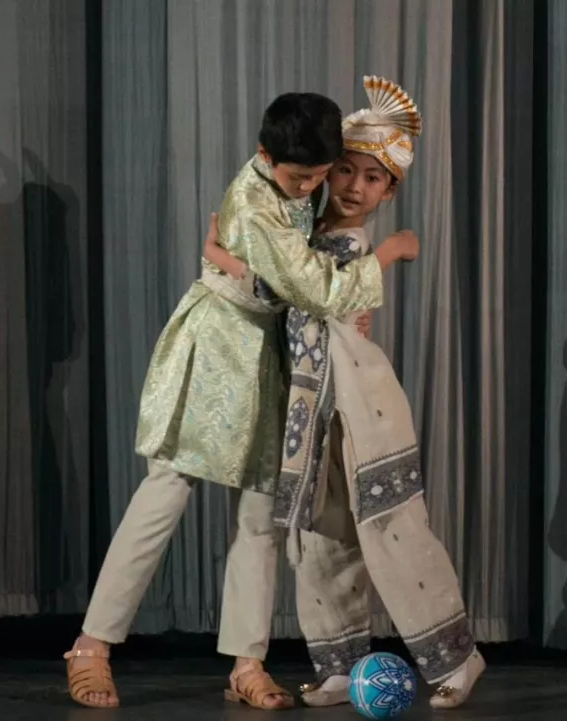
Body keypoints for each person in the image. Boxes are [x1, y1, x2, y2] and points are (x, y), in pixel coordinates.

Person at [64, 90, 420, 710]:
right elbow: (314, 289)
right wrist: (388, 255)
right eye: (300, 176)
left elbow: (308, 271)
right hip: (218, 354)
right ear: (265, 154)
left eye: (320, 175)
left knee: (259, 516)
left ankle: (247, 662)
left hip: (273, 361)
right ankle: (90, 647)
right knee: (164, 493)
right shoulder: (257, 205)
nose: (311, 187)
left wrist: (226, 257)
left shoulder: (300, 183)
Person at [205, 76, 486, 711]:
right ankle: (341, 662)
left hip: (361, 400)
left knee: (392, 528)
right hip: (311, 406)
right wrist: (218, 253)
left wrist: (383, 254)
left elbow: (315, 293)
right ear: (327, 171)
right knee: (321, 534)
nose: (356, 187)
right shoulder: (297, 229)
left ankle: (457, 656)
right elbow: (286, 290)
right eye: (347, 172)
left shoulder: (349, 244)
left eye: (374, 178)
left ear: (390, 189)